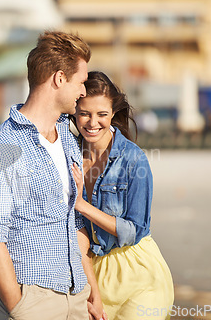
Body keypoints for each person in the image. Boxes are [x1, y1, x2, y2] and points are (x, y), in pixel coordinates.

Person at [0, 31, 106, 320]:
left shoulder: (69, 139)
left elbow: (74, 221)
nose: (84, 92)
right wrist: (19, 308)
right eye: (81, 82)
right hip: (32, 299)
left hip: (77, 296)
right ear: (59, 79)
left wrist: (90, 290)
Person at [71, 71, 174, 320]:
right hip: (93, 270)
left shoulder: (133, 159)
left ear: (113, 114)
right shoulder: (69, 153)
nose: (92, 122)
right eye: (84, 113)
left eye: (102, 114)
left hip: (138, 271)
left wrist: (82, 205)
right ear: (74, 112)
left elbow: (134, 229)